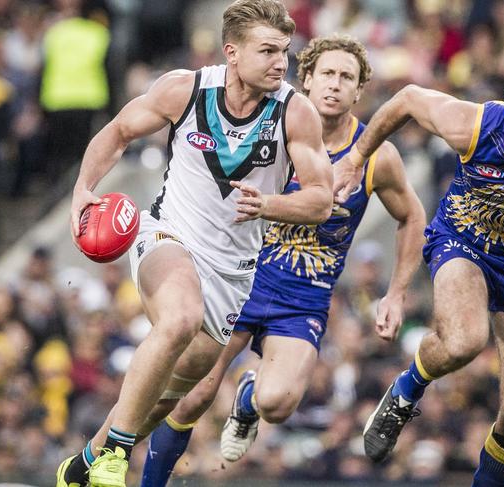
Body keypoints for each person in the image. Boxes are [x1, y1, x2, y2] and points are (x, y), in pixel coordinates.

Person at [56, 1, 334, 487]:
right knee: (180, 317)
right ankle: (116, 459)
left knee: (173, 395)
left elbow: (320, 200)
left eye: (284, 51)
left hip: (234, 271)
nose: (280, 63)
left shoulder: (295, 112)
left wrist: (270, 206)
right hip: (168, 234)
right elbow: (119, 131)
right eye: (267, 50)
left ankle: (83, 463)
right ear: (232, 52)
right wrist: (83, 187)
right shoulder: (184, 89)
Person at [139, 34, 426, 487]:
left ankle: (249, 399)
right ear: (306, 79)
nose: (335, 85)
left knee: (278, 404)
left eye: (346, 77)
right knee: (194, 396)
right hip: (244, 278)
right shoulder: (273, 126)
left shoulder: (376, 156)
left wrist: (396, 292)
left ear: (359, 90)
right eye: (326, 73)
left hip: (304, 298)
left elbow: (412, 217)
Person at [334, 54, 504, 486]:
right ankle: (406, 390)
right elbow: (406, 99)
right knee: (464, 340)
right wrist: (355, 158)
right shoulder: (475, 124)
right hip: (463, 240)